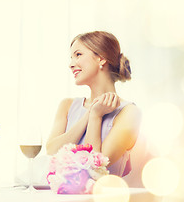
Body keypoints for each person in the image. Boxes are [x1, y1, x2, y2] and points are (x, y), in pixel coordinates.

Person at [46, 31, 140, 176]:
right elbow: (51, 152)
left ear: (101, 59)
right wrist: (88, 115)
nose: (71, 65)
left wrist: (96, 116)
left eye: (78, 55)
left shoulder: (129, 113)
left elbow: (94, 169)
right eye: (71, 57)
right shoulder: (67, 105)